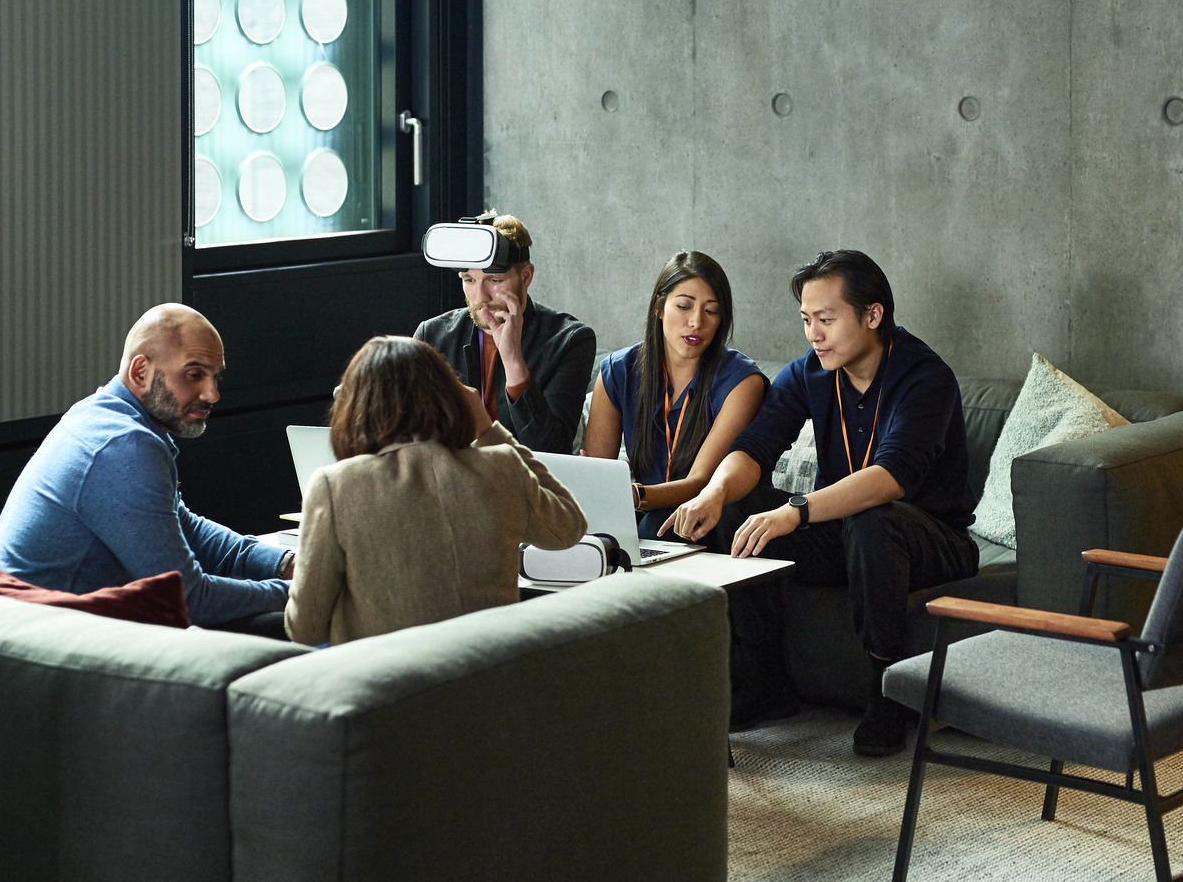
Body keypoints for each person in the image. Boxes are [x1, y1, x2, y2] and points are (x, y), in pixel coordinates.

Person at [667, 250, 979, 756]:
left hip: (931, 540)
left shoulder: (925, 377)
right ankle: (766, 680)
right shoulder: (809, 374)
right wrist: (715, 491)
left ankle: (887, 692)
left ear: (872, 315)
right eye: (807, 320)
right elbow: (755, 446)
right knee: (736, 508)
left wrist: (797, 509)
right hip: (846, 534)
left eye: (826, 319)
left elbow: (892, 477)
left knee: (872, 519)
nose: (813, 333)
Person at [0, 304, 292, 628]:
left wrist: (285, 564)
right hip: (35, 649)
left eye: (215, 376)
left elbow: (183, 526)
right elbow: (187, 600)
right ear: (140, 372)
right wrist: (297, 592)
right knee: (295, 622)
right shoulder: (124, 445)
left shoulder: (99, 413)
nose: (212, 393)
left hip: (28, 630)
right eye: (194, 374)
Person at [282, 336, 588, 645]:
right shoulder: (502, 467)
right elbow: (568, 528)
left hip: (391, 684)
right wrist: (488, 428)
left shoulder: (335, 485)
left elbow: (305, 630)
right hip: (492, 676)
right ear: (451, 395)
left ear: (355, 407)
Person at [581, 251, 768, 547]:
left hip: (715, 517)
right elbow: (596, 475)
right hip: (645, 514)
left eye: (711, 311)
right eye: (684, 306)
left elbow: (702, 482)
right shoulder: (618, 371)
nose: (696, 322)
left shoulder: (742, 381)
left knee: (656, 526)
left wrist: (636, 496)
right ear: (659, 307)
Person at [414, 213, 596, 455]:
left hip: (525, 483)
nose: (481, 297)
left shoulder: (569, 341)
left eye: (494, 279)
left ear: (526, 276)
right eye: (469, 279)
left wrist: (513, 362)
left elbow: (552, 452)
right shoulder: (433, 335)